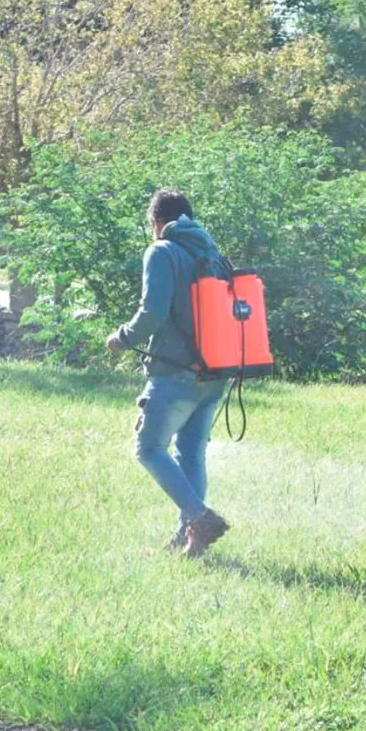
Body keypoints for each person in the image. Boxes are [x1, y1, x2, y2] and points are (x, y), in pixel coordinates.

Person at [106, 188, 232, 558]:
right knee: (191, 453)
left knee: (148, 448)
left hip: (176, 371)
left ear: (158, 224)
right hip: (215, 372)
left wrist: (122, 339)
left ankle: (199, 517)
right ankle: (187, 540)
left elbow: (153, 311)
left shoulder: (162, 251)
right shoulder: (212, 254)